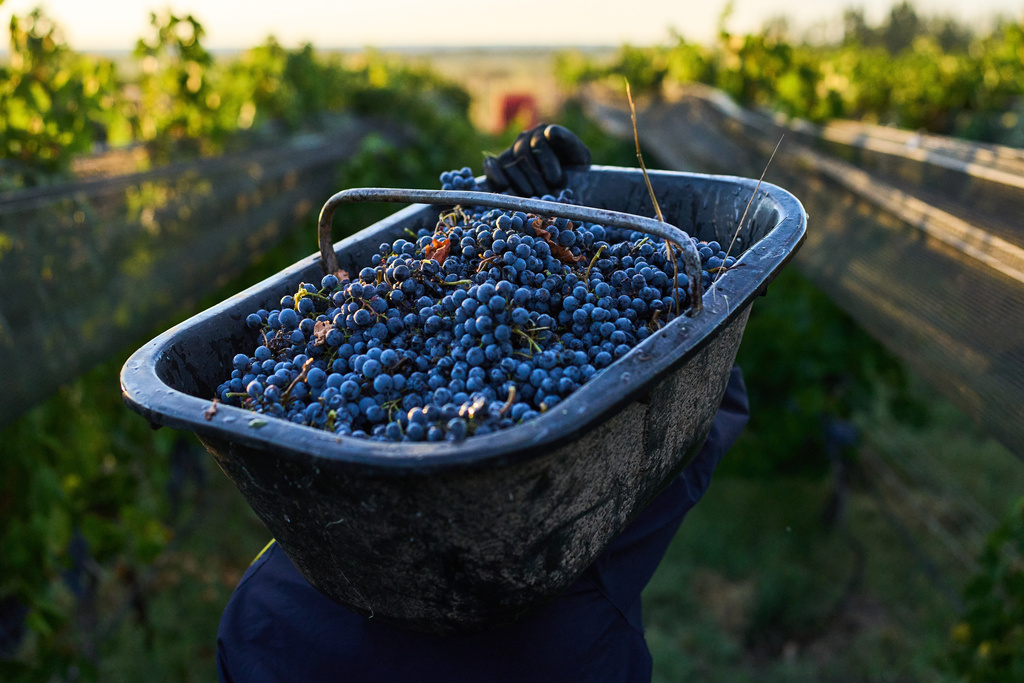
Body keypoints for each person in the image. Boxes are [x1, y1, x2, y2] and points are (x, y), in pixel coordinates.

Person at [216, 126, 750, 683]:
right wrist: (710, 323)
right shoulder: (574, 636)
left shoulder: (261, 626)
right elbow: (700, 412)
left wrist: (491, 205)